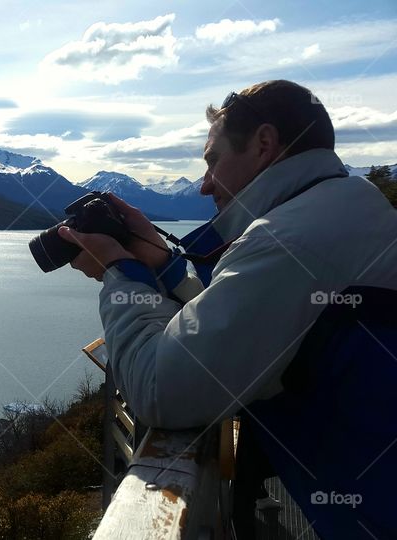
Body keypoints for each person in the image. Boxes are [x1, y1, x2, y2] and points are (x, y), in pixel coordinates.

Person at [60, 80, 397, 539]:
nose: (203, 186)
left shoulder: (288, 240)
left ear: (264, 144)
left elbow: (161, 391)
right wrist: (162, 262)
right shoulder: (351, 206)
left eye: (212, 161)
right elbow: (246, 317)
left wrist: (119, 273)